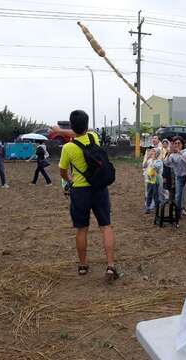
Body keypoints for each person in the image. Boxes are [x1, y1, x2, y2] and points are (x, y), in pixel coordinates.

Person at [59, 110, 119, 282]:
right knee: (106, 226)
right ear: (87, 125)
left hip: (80, 191)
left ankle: (83, 265)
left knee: (82, 228)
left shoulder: (68, 148)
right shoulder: (94, 137)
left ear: (71, 126)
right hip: (99, 188)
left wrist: (69, 180)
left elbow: (62, 171)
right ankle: (110, 265)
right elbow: (82, 131)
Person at [164, 136, 186, 219]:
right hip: (178, 177)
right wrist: (169, 153)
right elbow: (166, 163)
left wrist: (179, 152)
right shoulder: (173, 155)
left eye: (179, 143)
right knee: (178, 195)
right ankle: (178, 212)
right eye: (175, 143)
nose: (177, 145)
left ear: (182, 144)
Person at [143, 147, 163, 214]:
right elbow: (144, 165)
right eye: (152, 151)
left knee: (155, 194)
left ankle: (157, 207)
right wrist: (148, 158)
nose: (151, 153)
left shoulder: (159, 161)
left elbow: (156, 167)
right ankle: (148, 207)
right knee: (149, 194)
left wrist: (153, 159)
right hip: (149, 180)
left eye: (153, 151)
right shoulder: (149, 160)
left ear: (157, 153)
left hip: (155, 180)